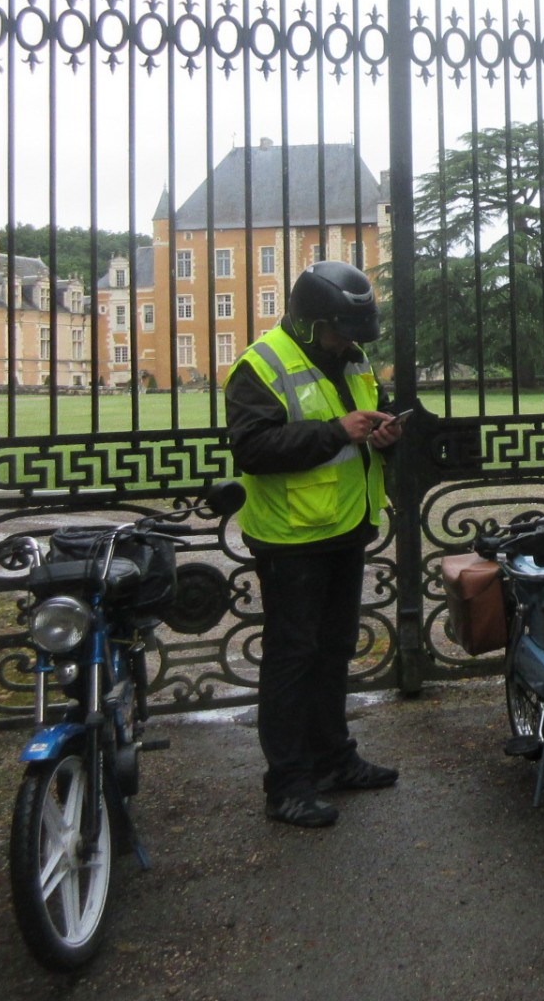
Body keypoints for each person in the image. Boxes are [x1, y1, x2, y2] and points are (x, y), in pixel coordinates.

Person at [226, 260, 405, 828]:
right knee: (292, 659)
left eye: (355, 331)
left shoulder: (352, 360)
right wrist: (337, 432)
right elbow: (251, 448)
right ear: (310, 322)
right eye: (339, 329)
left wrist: (383, 438)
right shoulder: (261, 364)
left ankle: (334, 759)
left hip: (344, 526)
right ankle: (288, 783)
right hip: (290, 538)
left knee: (334, 650)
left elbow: (361, 432)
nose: (349, 340)